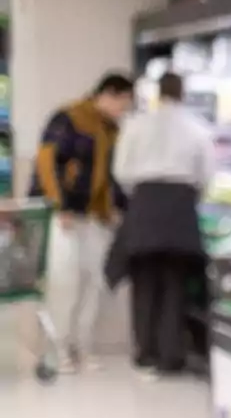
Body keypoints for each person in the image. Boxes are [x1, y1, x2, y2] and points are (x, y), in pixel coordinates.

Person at [109, 72, 215, 377]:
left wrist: (140, 196)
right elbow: (207, 173)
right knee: (175, 283)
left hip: (144, 203)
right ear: (182, 93)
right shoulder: (197, 128)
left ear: (158, 92)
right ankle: (172, 356)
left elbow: (121, 170)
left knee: (144, 283)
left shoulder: (136, 125)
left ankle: (146, 353)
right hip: (181, 206)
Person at [32, 72, 134, 374]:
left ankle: (83, 345)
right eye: (123, 103)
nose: (124, 111)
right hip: (65, 215)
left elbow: (112, 175)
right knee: (64, 282)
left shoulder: (112, 130)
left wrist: (118, 207)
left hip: (96, 216)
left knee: (93, 282)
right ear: (109, 94)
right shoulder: (69, 118)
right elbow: (47, 161)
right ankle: (58, 347)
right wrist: (59, 204)